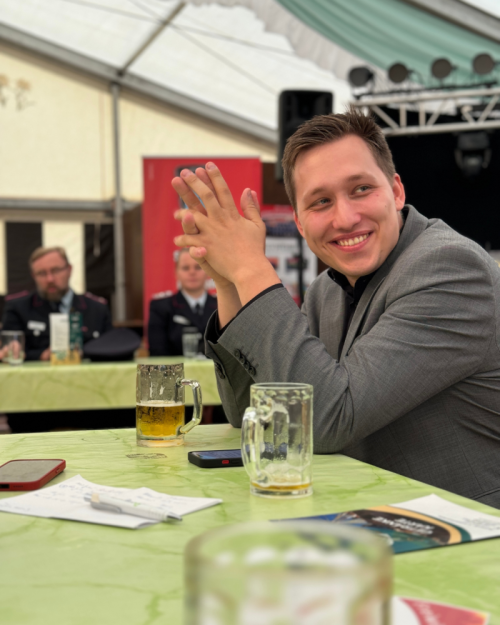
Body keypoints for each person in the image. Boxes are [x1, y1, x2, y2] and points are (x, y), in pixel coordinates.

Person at [171, 108, 500, 509]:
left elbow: (328, 419)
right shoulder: (324, 291)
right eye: (321, 201)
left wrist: (250, 268)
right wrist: (228, 281)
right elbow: (250, 414)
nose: (345, 218)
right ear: (300, 223)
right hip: (369, 518)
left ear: (396, 191)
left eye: (361, 189)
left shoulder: (450, 268)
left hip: (469, 530)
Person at [1, 246, 112, 361]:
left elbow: (110, 348)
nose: (50, 279)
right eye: (42, 273)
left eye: (56, 270)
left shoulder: (97, 309)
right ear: (33, 276)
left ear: (69, 270)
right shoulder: (18, 308)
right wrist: (41, 355)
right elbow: (8, 349)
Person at [148, 248, 217, 356]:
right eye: (185, 268)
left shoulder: (221, 306)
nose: (192, 272)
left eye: (198, 267)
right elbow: (157, 352)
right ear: (176, 273)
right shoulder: (160, 307)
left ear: (207, 272)